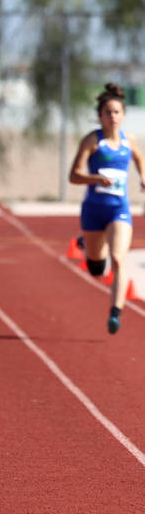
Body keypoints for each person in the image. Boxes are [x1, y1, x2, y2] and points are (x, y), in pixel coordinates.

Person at [69, 83, 145, 334]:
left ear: (123, 115)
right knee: (96, 269)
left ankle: (115, 313)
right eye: (107, 113)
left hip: (118, 210)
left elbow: (139, 158)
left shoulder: (129, 140)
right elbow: (74, 175)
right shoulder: (93, 140)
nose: (112, 117)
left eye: (116, 113)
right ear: (100, 116)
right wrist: (95, 179)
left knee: (118, 258)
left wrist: (143, 177)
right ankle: (85, 243)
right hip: (93, 210)